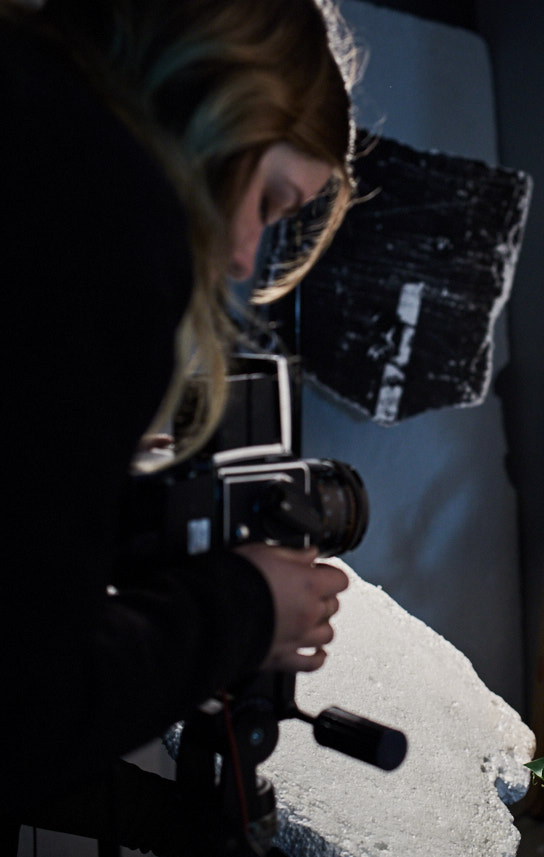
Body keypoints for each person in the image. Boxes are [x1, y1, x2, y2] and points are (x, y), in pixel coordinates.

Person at [2, 0, 359, 848]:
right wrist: (245, 606)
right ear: (221, 101)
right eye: (270, 200)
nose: (243, 257)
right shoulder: (111, 218)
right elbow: (29, 708)